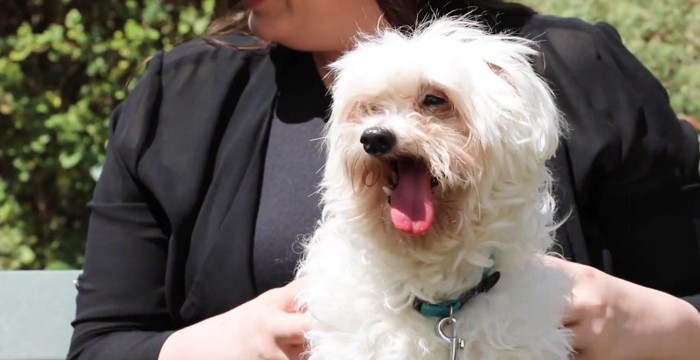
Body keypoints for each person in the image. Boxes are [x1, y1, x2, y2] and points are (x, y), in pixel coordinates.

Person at [67, 0, 700, 359]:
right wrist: (226, 344)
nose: (382, 133)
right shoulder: (177, 100)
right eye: (363, 113)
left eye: (434, 104)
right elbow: (100, 347)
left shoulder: (580, 73)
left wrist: (650, 324)